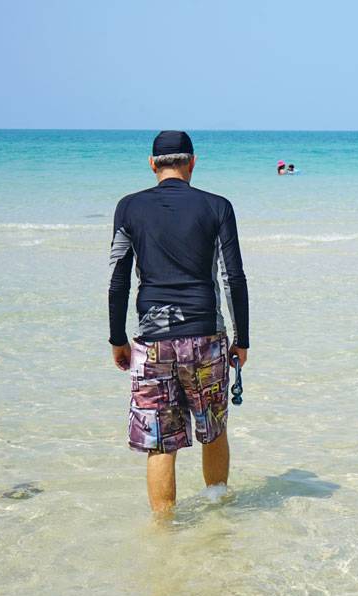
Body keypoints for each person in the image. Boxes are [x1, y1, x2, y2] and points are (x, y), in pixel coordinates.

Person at [108, 130, 249, 515]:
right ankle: (218, 512)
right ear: (193, 162)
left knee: (159, 442)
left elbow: (119, 277)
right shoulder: (217, 206)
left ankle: (163, 533)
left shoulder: (129, 207)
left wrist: (117, 338)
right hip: (205, 336)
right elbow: (232, 276)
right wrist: (242, 339)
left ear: (153, 164)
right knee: (213, 430)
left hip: (152, 342)